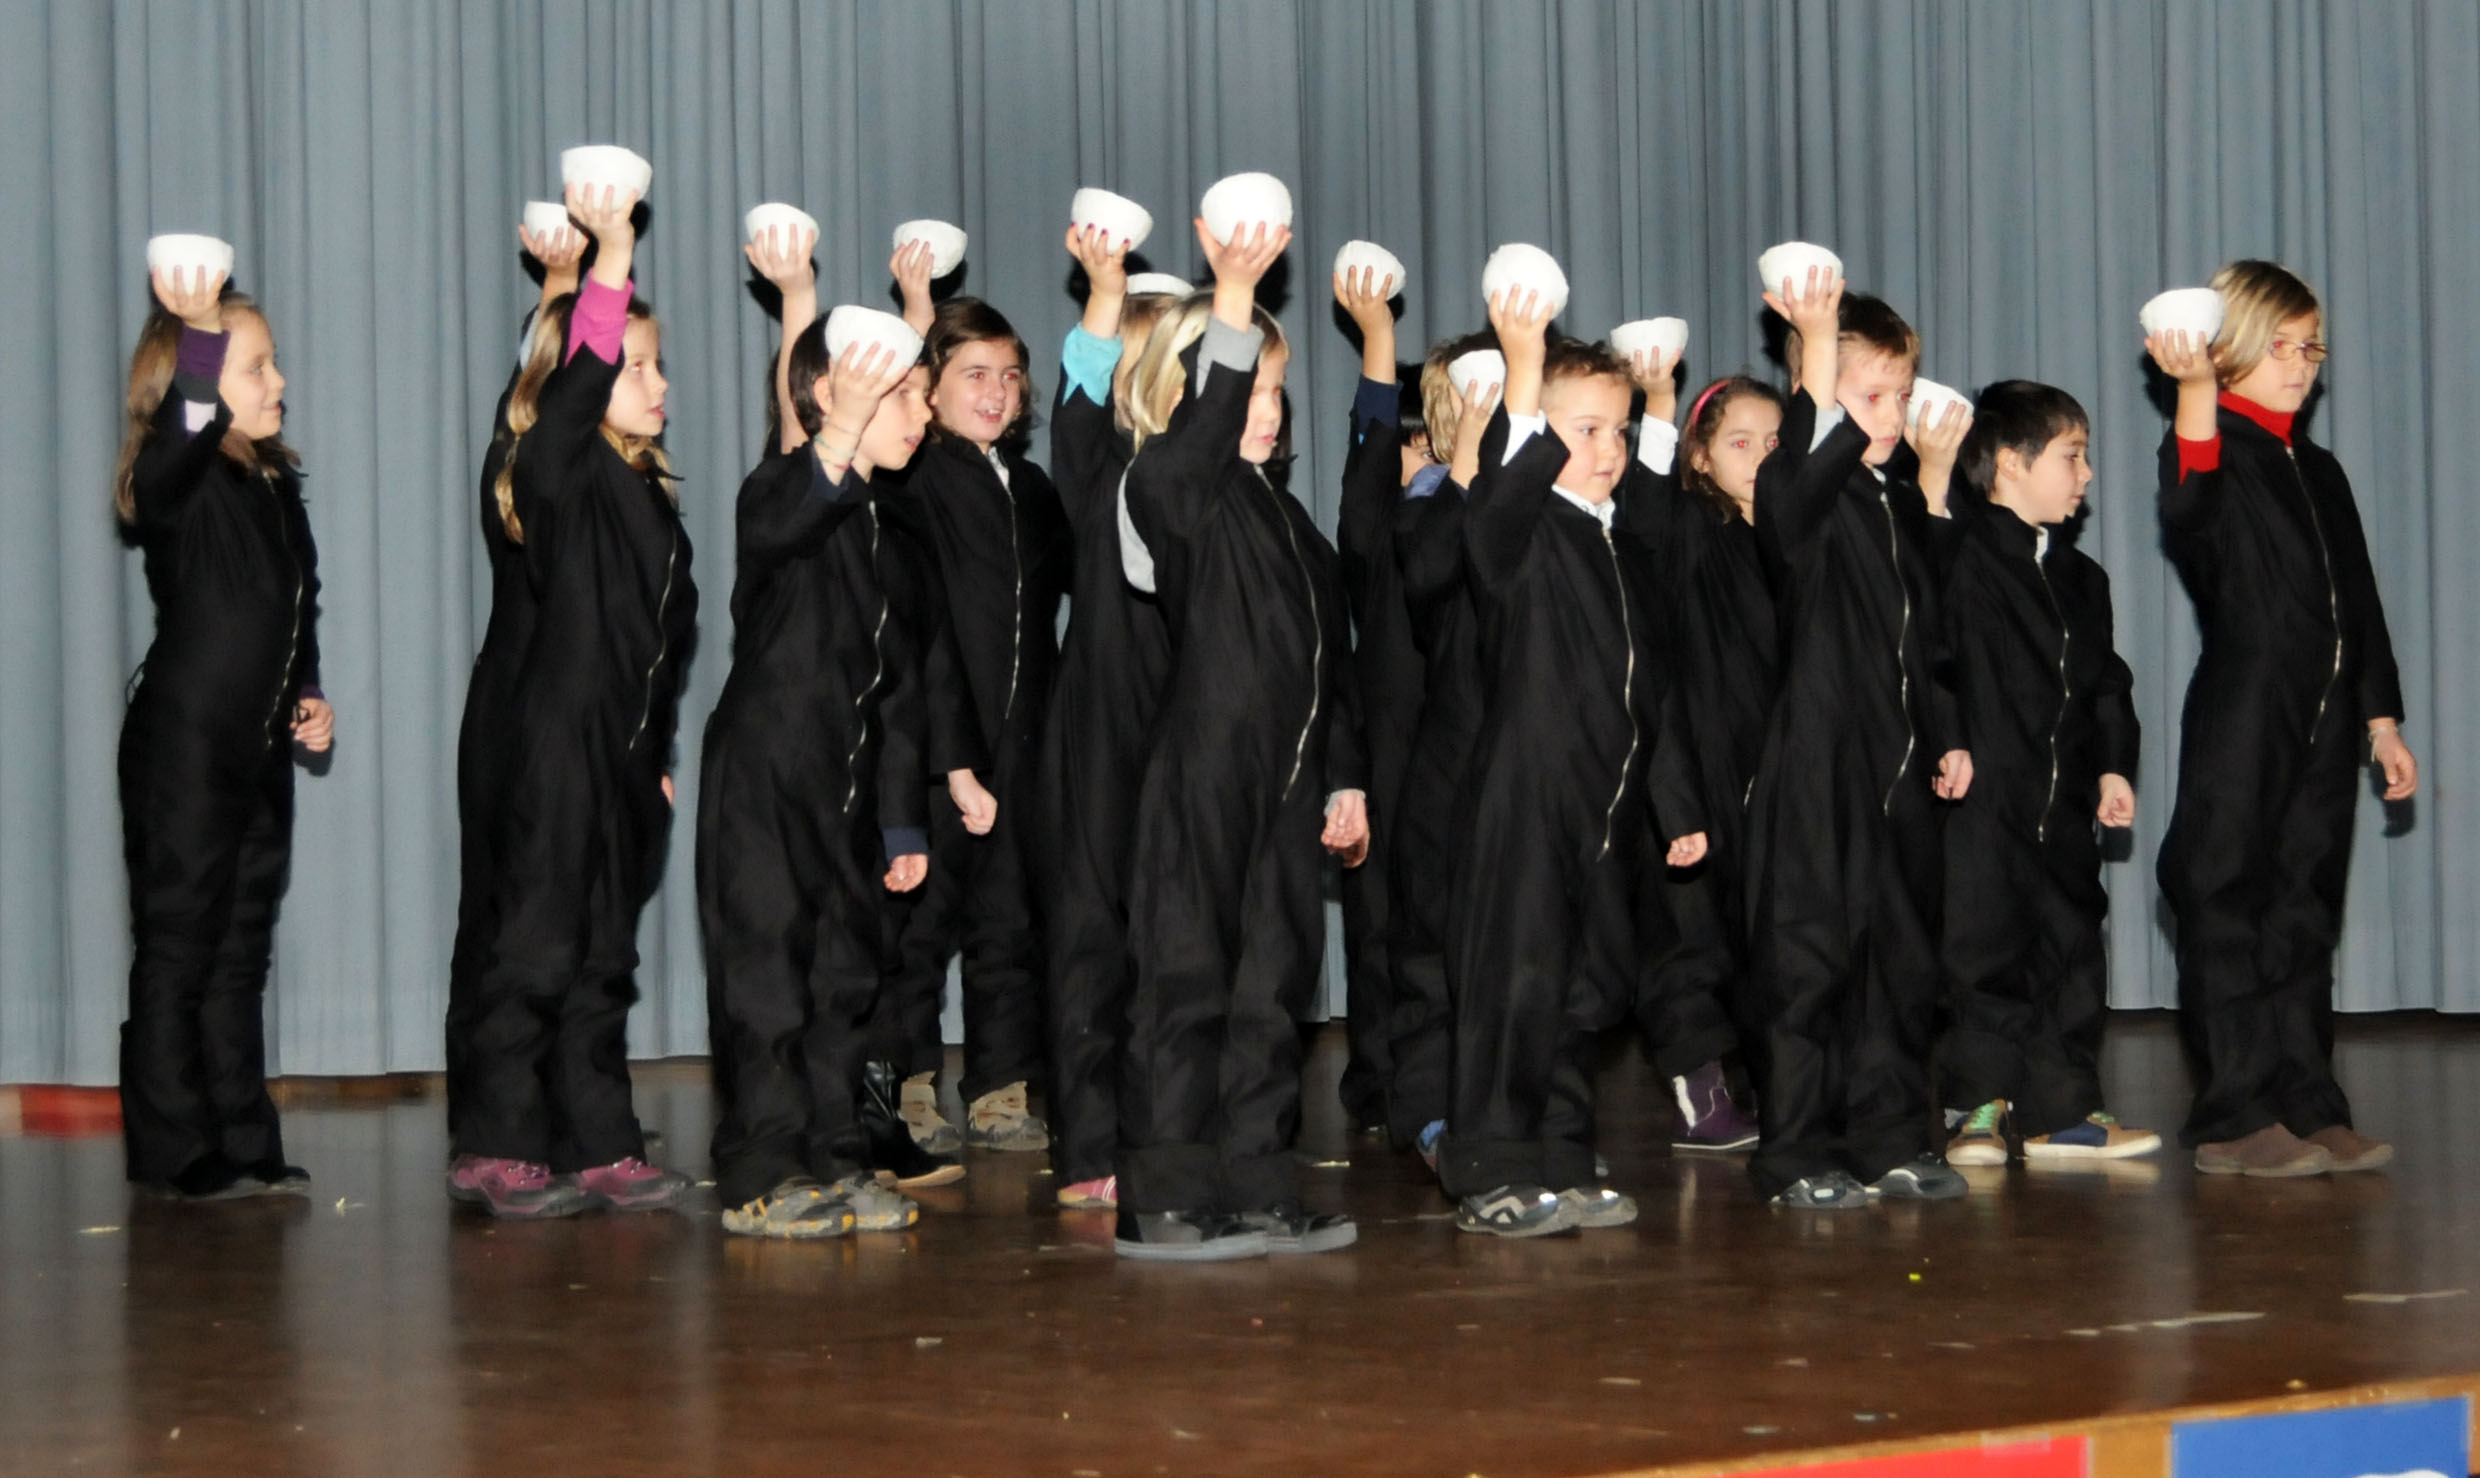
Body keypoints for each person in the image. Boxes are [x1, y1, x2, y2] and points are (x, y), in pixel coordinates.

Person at [1112, 216, 1370, 1261]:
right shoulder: (1167, 490)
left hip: (1287, 785)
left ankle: (1256, 1179)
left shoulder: (1288, 522)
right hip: (1201, 775)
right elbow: (1196, 442)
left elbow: (1329, 661)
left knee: (1272, 984)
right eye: (1246, 390)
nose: (1265, 410)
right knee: (1186, 978)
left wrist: (1343, 779)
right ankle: (1166, 1193)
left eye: (1274, 392)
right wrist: (1229, 297)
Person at [449, 179, 698, 1219]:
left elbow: (660, 651)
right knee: (537, 944)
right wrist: (606, 258)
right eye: (636, 365)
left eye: (658, 363)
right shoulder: (561, 472)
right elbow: (575, 375)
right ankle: (499, 1140)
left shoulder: (646, 492)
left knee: (602, 955)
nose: (658, 381)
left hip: (622, 757)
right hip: (553, 750)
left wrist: (654, 756)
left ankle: (600, 1139)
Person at [1437, 287, 1708, 1238]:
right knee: (1513, 984)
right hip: (1526, 801)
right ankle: (1489, 1164)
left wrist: (1677, 805)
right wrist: (1522, 370)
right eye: (1585, 430)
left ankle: (1558, 1150)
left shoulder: (1619, 546)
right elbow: (1496, 500)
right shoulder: (1517, 533)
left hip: (1608, 808)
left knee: (1583, 990)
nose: (1608, 450)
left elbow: (1653, 694)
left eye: (1618, 431)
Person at [2147, 261, 2416, 1177]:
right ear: (2230, 352)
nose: (2301, 365)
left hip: (2328, 718)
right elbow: (2188, 504)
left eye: (2312, 349)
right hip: (2247, 707)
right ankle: (2235, 1116)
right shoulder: (2212, 444)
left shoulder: (2320, 468)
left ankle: (2308, 1102)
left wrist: (2381, 721)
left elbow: (2358, 601)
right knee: (2224, 897)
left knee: (2304, 909)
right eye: (2282, 348)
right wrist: (2192, 390)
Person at [1740, 270, 1972, 1209]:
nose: (1891, 414)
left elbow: (1932, 633)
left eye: (1900, 395)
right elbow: (1794, 495)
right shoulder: (1796, 488)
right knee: (1808, 961)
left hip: (1897, 760)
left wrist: (1948, 732)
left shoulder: (1894, 499)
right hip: (1818, 760)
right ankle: (1794, 1150)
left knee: (1898, 959)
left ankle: (1889, 1135)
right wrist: (1818, 347)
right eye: (1869, 396)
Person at [114, 256, 330, 1200]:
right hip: (186, 748)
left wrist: (306, 691)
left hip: (256, 751)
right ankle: (174, 1147)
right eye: (257, 367)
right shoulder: (183, 482)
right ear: (196, 384)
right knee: (180, 943)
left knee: (241, 947)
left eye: (272, 363)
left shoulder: (273, 484)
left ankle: (243, 1134)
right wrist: (200, 337)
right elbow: (168, 460)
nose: (277, 381)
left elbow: (296, 605)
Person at [1936, 380, 2158, 1167]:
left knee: (2069, 950)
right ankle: (1978, 1107)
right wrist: (1950, 741)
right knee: (1982, 948)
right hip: (1982, 804)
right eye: (2072, 455)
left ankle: (2061, 1111)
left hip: (2060, 806)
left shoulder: (2082, 579)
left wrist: (2112, 768)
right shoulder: (1957, 556)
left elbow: (2106, 686)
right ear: (2008, 462)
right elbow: (1933, 665)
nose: (2086, 474)